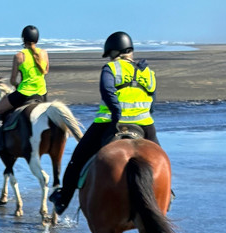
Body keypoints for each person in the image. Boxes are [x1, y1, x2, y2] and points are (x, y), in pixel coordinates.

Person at [49, 31, 159, 214]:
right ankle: (168, 194)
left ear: (114, 52)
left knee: (77, 159)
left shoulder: (112, 68)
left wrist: (117, 114)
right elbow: (152, 102)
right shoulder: (148, 72)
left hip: (109, 123)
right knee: (161, 160)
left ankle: (63, 200)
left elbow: (107, 92)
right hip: (145, 125)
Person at [0, 25, 50, 153]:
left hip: (24, 93)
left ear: (23, 39)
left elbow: (13, 80)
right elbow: (46, 71)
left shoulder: (19, 56)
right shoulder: (44, 53)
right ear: (37, 38)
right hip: (42, 94)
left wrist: (17, 86)